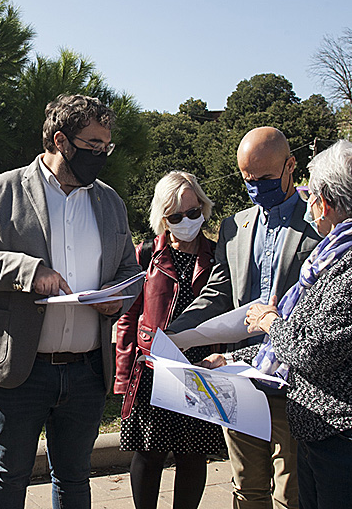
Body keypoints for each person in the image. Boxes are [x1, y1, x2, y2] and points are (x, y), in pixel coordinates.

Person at [215, 138, 352, 508]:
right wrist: (236, 360)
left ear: (326, 201)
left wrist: (270, 321)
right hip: (332, 438)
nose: (308, 202)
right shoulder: (338, 253)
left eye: (311, 193)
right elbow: (312, 334)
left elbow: (312, 349)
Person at [0, 94, 143, 509]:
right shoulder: (3, 190)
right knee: (10, 475)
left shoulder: (109, 201)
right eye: (93, 146)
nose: (101, 155)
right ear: (61, 140)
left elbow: (129, 269)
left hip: (88, 371)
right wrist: (28, 272)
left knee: (74, 479)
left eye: (106, 147)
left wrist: (119, 299)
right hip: (22, 369)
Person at [166, 127, 321, 509]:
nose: (255, 188)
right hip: (240, 379)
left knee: (292, 491)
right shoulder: (236, 226)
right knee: (246, 487)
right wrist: (172, 334)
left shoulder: (318, 223)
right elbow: (218, 294)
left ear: (290, 166)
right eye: (247, 179)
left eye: (265, 179)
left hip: (295, 380)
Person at [114, 171, 225, 509]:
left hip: (201, 367)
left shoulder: (219, 255)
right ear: (163, 218)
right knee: (149, 454)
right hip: (153, 368)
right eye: (176, 216)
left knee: (193, 456)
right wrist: (122, 375)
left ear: (204, 208)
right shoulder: (146, 255)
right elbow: (128, 315)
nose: (187, 221)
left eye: (194, 212)